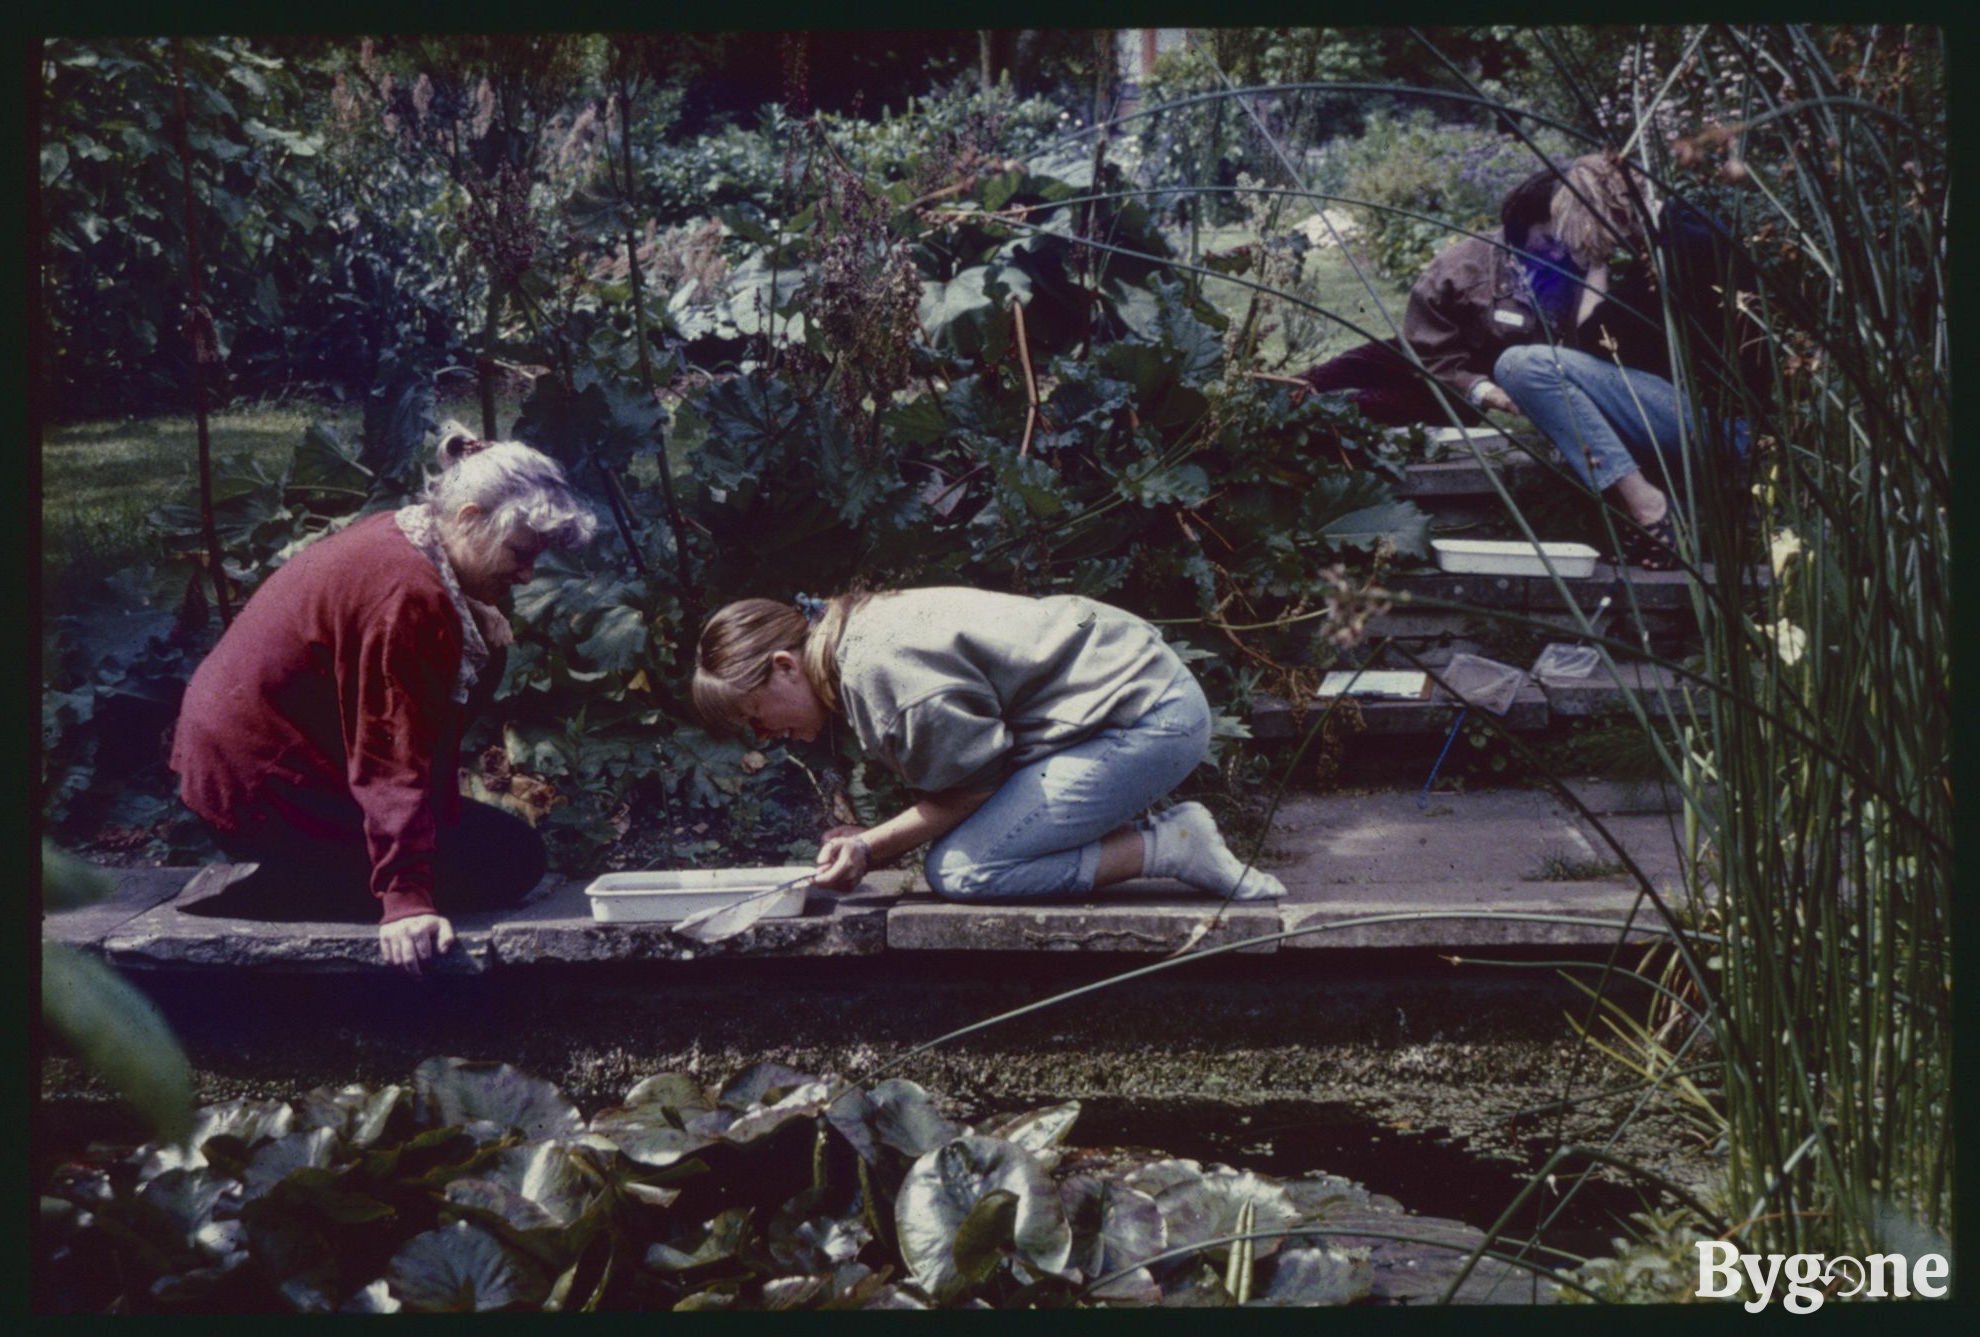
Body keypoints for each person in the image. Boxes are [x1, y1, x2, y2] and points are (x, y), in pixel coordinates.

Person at [169, 422, 599, 973]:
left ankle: (309, 868)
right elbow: (388, 749)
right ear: (469, 519)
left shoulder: (409, 538)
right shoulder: (407, 595)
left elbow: (429, 730)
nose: (527, 573)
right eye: (518, 553)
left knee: (499, 845)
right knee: (510, 862)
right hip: (262, 796)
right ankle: (292, 885)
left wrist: (487, 648)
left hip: (268, 776)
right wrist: (406, 899)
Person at [691, 588, 1286, 903]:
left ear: (784, 666)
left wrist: (870, 847)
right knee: (965, 847)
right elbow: (959, 777)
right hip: (1125, 704)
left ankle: (1172, 847)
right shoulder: (853, 636)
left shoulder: (881, 675)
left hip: (1149, 722)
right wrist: (870, 840)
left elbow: (976, 789)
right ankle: (1143, 827)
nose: (766, 738)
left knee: (966, 869)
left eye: (756, 717)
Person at [1491, 153, 1763, 569]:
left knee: (1522, 366)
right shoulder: (1678, 231)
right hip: (1697, 410)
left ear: (1610, 212)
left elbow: (1599, 344)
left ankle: (1652, 510)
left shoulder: (1679, 248)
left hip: (1722, 425)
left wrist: (1596, 265)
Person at [1293, 166, 1574, 425]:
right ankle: (1261, 405)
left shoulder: (1577, 273)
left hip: (1454, 397)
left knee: (1346, 409)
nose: (1559, 254)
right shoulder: (1463, 266)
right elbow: (1427, 348)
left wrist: (1487, 391)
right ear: (1523, 225)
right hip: (1422, 357)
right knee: (1312, 382)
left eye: (1566, 243)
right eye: (1548, 241)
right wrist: (1488, 392)